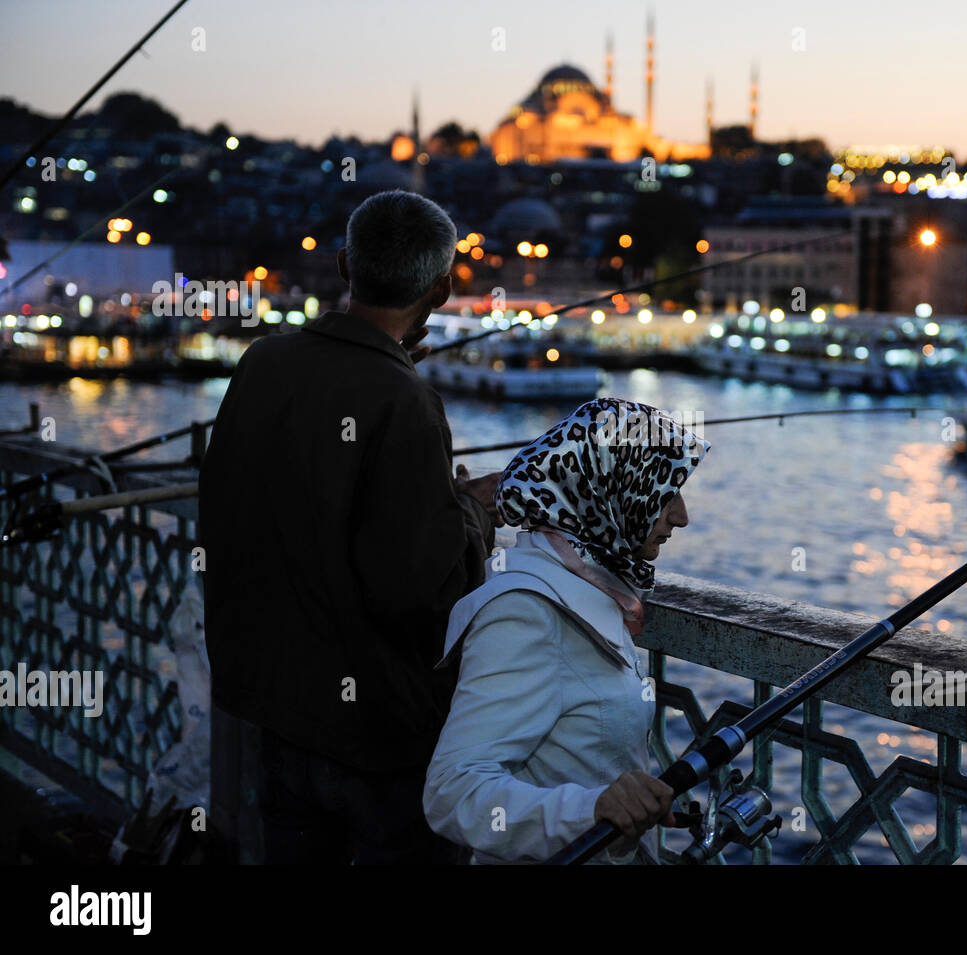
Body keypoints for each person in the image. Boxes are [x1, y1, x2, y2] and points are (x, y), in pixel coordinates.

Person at [199, 189, 500, 864]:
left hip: (271, 710)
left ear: (343, 266)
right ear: (444, 287)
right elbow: (419, 592)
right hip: (377, 736)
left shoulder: (262, 363)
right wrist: (475, 513)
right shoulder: (406, 401)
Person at [423, 397, 709, 864]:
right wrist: (590, 811)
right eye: (665, 492)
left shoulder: (592, 581)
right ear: (610, 487)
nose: (681, 516)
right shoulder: (526, 611)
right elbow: (452, 792)